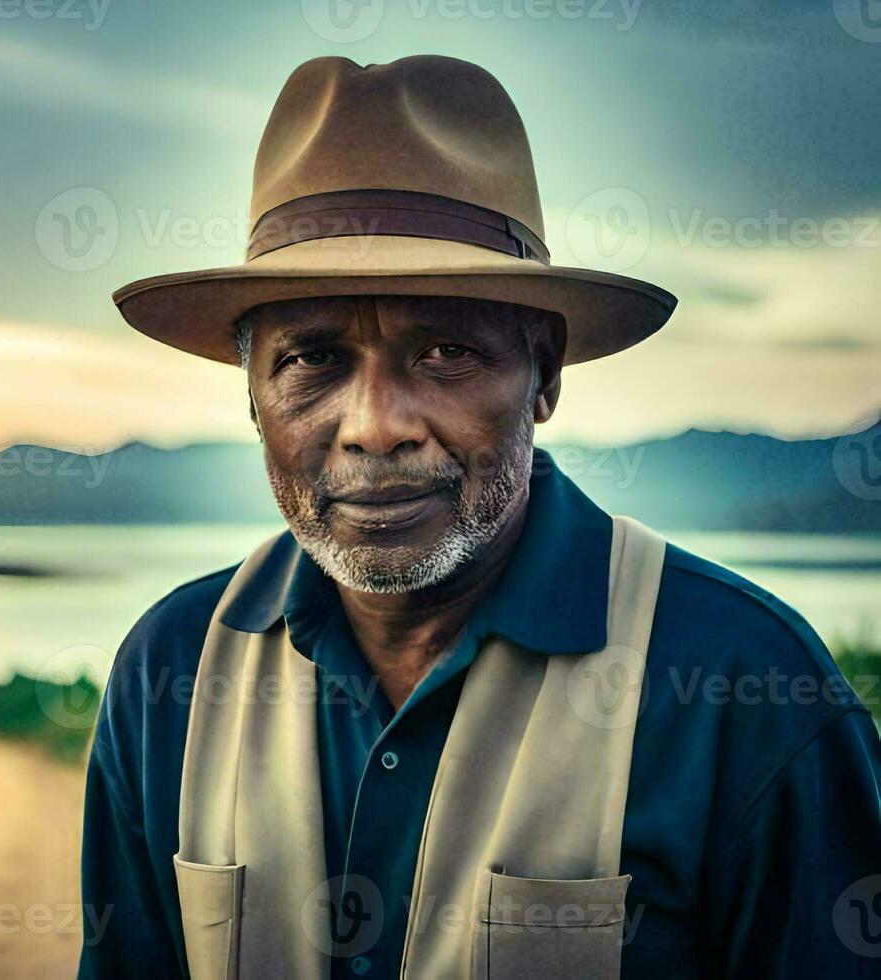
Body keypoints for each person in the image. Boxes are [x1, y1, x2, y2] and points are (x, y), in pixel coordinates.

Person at [78, 54, 881, 978]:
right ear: (253, 396)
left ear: (544, 376)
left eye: (447, 351)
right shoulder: (170, 671)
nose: (376, 428)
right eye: (314, 360)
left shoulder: (747, 688)